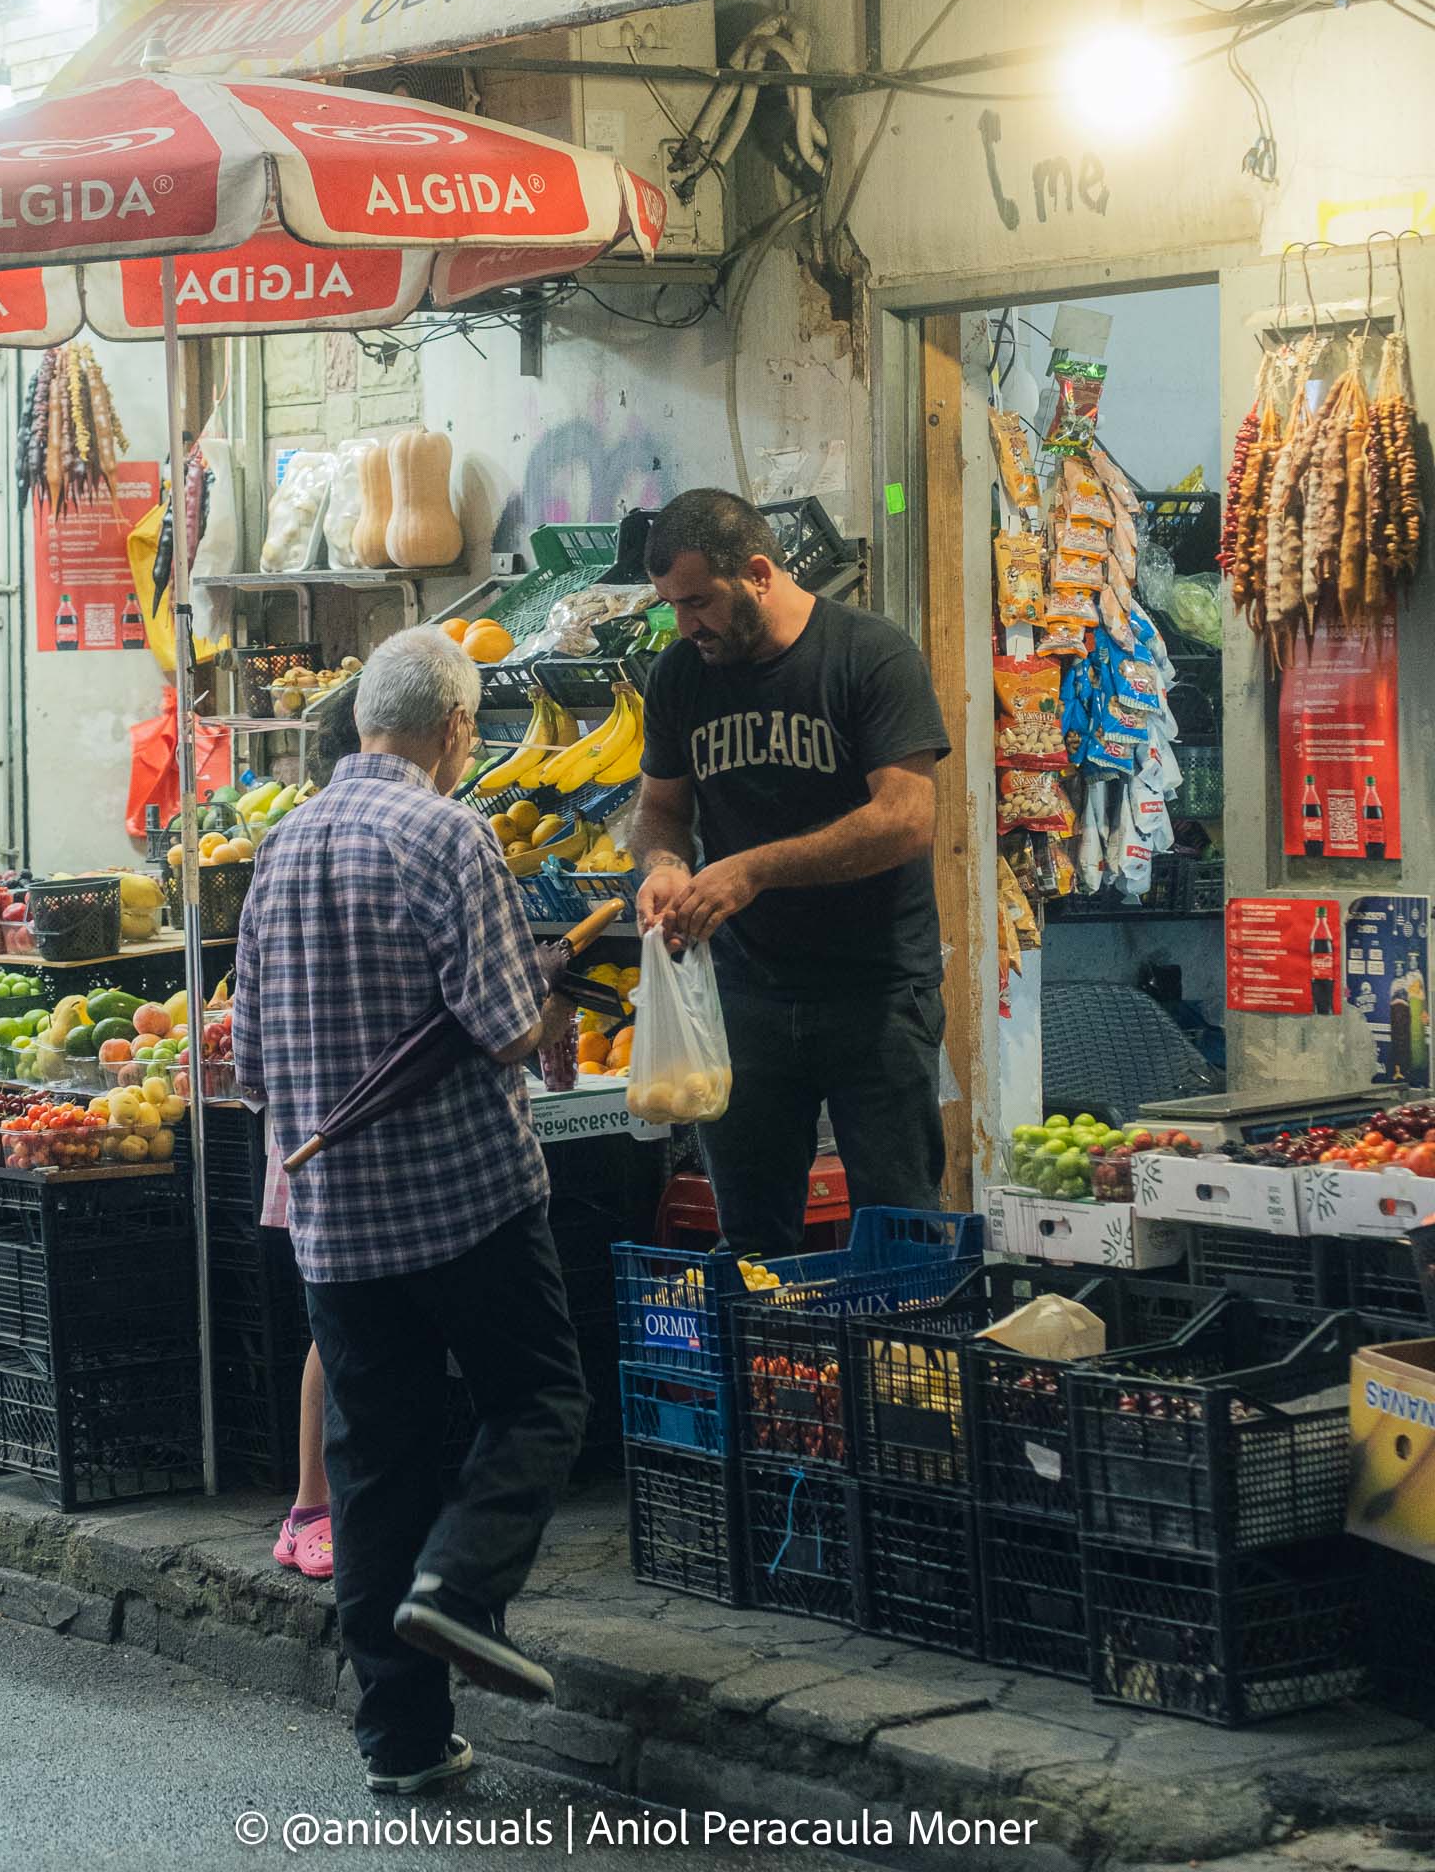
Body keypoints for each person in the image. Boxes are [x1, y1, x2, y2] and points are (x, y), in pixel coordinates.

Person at [233, 626, 588, 1795]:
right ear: (450, 729)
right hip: (463, 1199)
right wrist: (548, 988)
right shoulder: (449, 832)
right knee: (537, 1394)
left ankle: (403, 1739)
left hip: (334, 1220)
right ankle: (462, 1584)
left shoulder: (279, 847)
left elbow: (251, 1066)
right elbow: (503, 1028)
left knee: (377, 1462)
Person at [632, 487, 950, 1259]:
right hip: (745, 998)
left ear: (760, 572)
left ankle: (902, 1375)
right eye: (672, 606)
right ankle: (774, 1378)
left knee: (900, 1229)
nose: (686, 625)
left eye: (700, 601)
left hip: (875, 993)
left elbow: (906, 817)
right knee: (751, 1240)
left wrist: (754, 871)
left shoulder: (870, 656)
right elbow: (662, 811)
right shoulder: (680, 676)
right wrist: (667, 868)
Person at [265, 682, 362, 1585]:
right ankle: (310, 1504)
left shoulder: (300, 837)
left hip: (310, 1120)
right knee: (333, 1324)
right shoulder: (308, 844)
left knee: (345, 1320)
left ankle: (333, 1500)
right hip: (322, 1128)